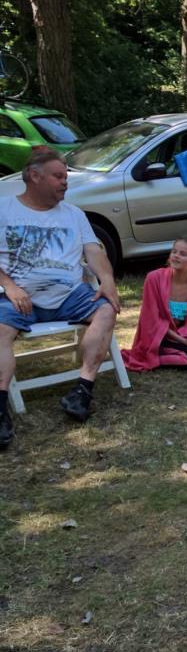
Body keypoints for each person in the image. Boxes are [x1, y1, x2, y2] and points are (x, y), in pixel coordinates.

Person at [0, 150, 121, 445]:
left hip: (69, 294)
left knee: (106, 310)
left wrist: (107, 281)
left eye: (65, 176)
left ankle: (82, 391)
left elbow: (93, 251)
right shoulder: (3, 210)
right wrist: (10, 286)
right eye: (58, 176)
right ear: (34, 176)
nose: (65, 182)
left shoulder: (73, 214)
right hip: (18, 296)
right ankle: (0, 408)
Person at [122, 236, 187, 372]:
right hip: (159, 336)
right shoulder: (154, 279)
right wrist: (185, 342)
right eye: (174, 252)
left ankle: (179, 352)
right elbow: (152, 321)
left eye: (183, 254)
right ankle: (155, 357)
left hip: (186, 333)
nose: (176, 256)